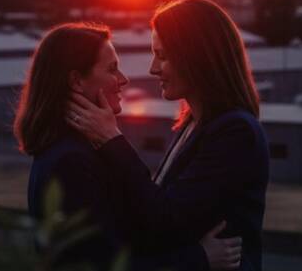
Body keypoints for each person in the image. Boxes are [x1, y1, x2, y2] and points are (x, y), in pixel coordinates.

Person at [14, 22, 242, 271]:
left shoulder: (80, 149)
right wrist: (199, 259)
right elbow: (103, 266)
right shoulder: (70, 161)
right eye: (112, 69)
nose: (123, 80)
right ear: (77, 81)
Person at [67, 0, 270, 271]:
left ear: (196, 56)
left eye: (162, 56)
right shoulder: (194, 124)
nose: (153, 68)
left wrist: (111, 140)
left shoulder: (235, 132)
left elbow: (166, 218)